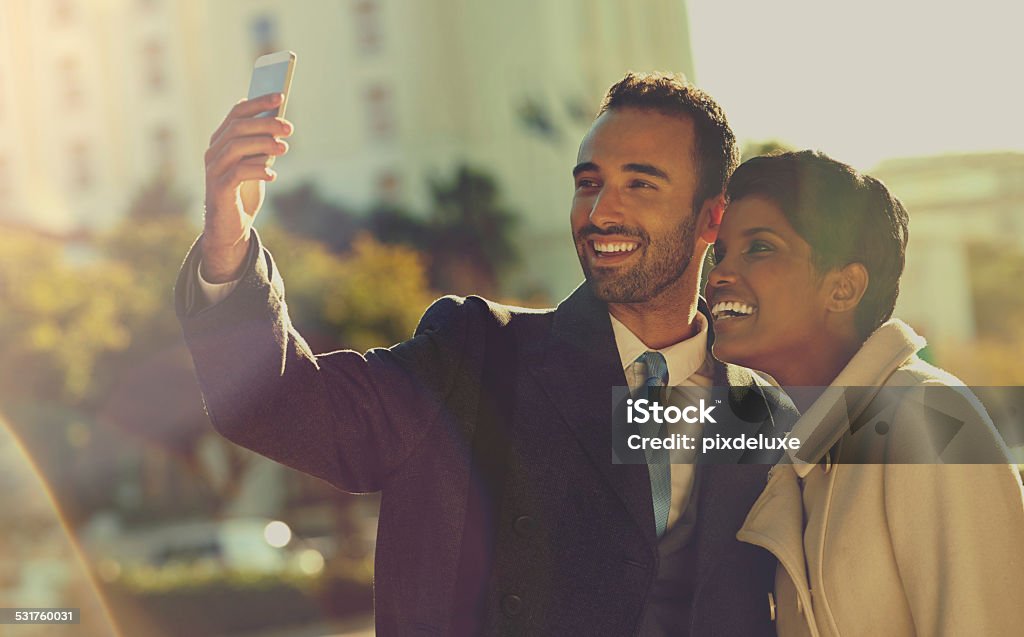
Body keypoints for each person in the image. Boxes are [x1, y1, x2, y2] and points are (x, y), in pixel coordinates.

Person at [176, 72, 795, 636]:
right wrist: (227, 244)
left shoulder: (767, 415)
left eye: (640, 183)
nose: (602, 211)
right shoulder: (477, 354)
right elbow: (280, 403)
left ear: (712, 218)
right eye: (589, 183)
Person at [706, 150, 1024, 636]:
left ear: (844, 288)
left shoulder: (929, 416)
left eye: (760, 248)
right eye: (721, 252)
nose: (720, 274)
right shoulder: (804, 455)